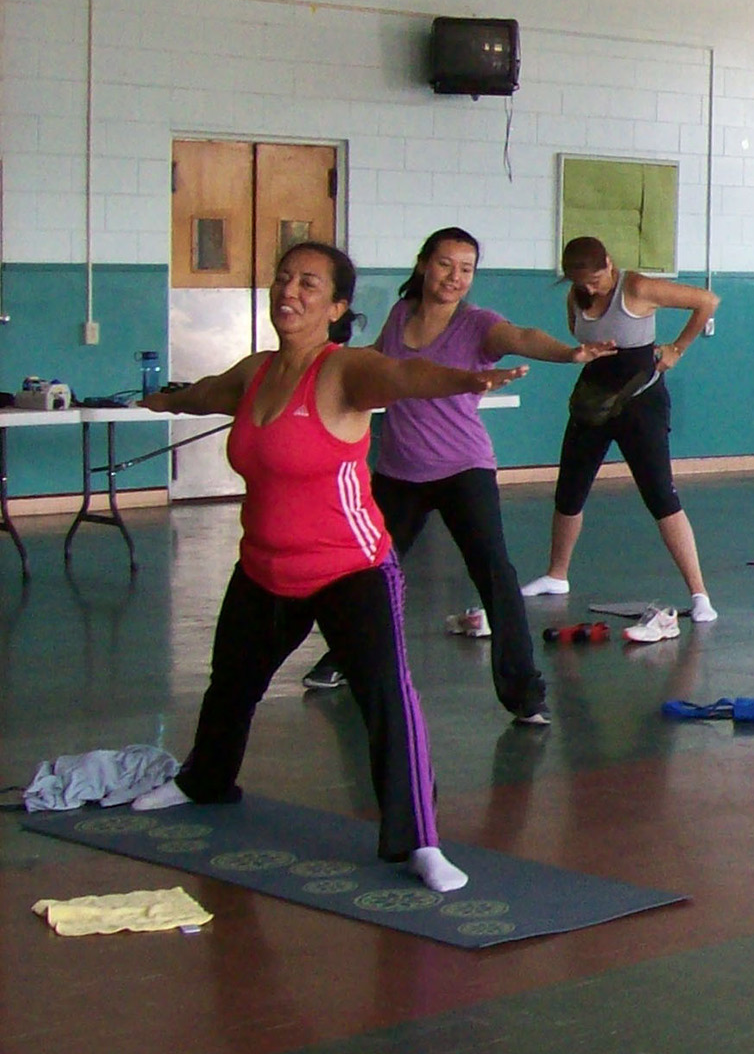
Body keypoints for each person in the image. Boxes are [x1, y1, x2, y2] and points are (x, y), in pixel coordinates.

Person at [128, 242, 526, 891]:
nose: (290, 291)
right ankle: (204, 782)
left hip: (350, 569)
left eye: (309, 284)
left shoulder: (344, 372)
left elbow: (404, 377)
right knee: (230, 683)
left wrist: (465, 379)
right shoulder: (256, 373)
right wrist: (164, 400)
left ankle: (420, 841)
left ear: (338, 306)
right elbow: (206, 394)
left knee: (386, 701)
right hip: (263, 566)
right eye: (283, 278)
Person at [298, 227, 616, 722]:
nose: (455, 277)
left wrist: (570, 353)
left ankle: (524, 693)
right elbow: (380, 371)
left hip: (462, 468)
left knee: (495, 575)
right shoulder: (401, 315)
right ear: (424, 264)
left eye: (466, 269)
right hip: (400, 471)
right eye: (446, 264)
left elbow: (520, 337)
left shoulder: (477, 325)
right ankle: (341, 656)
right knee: (364, 573)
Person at [519, 236, 720, 640]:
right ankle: (557, 575)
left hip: (641, 401)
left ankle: (700, 595)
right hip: (595, 399)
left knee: (661, 497)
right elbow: (582, 339)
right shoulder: (575, 297)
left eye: (594, 279)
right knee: (570, 490)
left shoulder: (636, 287)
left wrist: (677, 348)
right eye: (580, 282)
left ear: (609, 263)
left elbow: (707, 301)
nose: (589, 288)